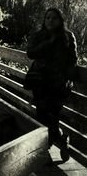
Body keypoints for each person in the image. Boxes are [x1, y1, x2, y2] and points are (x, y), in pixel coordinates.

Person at [26, 8, 77, 146]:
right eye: (47, 17)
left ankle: (47, 148)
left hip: (58, 84)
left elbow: (73, 60)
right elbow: (30, 53)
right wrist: (48, 42)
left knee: (53, 115)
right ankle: (58, 140)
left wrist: (67, 77)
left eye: (54, 18)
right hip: (40, 82)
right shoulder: (38, 35)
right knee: (43, 115)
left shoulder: (68, 36)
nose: (50, 20)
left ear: (60, 20)